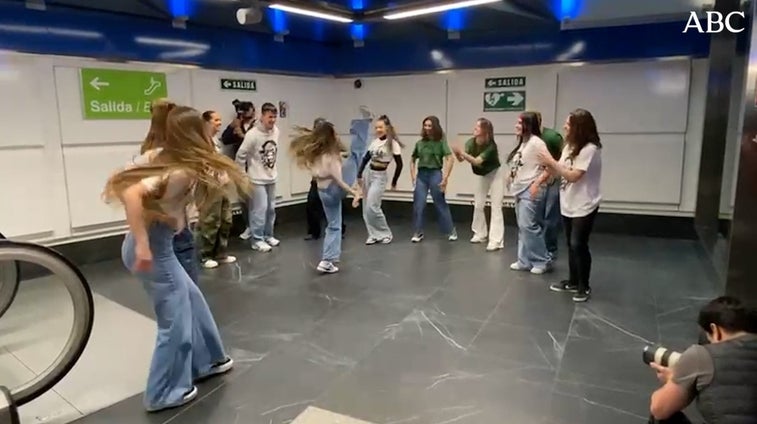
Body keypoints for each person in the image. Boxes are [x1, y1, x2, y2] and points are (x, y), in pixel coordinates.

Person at [103, 105, 251, 412]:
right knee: (175, 323)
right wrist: (144, 243)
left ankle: (208, 360)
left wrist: (164, 214)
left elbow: (122, 175)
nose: (209, 130)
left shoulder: (163, 156)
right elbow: (131, 193)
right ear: (193, 133)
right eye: (203, 128)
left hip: (160, 245)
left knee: (193, 302)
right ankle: (162, 393)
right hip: (153, 249)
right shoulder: (181, 170)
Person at [647, 296, 757, 423]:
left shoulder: (702, 355)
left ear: (716, 330)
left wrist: (673, 379)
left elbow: (659, 409)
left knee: (664, 418)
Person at [537, 108, 602, 302]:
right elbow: (560, 167)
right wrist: (546, 168)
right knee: (570, 244)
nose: (565, 126)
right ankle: (573, 281)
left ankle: (584, 285)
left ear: (579, 127)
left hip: (585, 204)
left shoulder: (590, 148)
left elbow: (574, 175)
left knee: (578, 244)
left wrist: (551, 163)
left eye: (568, 123)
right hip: (568, 202)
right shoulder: (569, 146)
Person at [137, 98, 199, 283]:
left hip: (154, 226)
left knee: (168, 285)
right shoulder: (174, 153)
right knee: (186, 286)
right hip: (175, 225)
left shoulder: (147, 149)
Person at [290, 119, 360, 273]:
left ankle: (327, 260)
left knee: (333, 225)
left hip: (322, 192)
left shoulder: (315, 154)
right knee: (356, 158)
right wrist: (354, 192)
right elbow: (339, 181)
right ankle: (361, 126)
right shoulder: (331, 156)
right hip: (332, 190)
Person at [506, 111, 551, 274]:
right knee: (523, 227)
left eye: (520, 123)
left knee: (528, 226)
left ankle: (541, 260)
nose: (516, 126)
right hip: (520, 189)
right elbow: (521, 164)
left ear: (528, 125)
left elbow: (550, 166)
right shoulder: (523, 143)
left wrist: (537, 183)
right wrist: (510, 176)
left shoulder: (536, 143)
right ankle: (524, 260)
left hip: (531, 189)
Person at [451, 118, 504, 251]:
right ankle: (480, 233)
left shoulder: (491, 146)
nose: (474, 129)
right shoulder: (471, 142)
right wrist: (457, 153)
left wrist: (461, 152)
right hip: (482, 175)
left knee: (496, 206)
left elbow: (477, 161)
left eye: (478, 127)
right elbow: (462, 159)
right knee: (478, 204)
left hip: (495, 174)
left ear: (485, 130)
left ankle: (496, 240)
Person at [236, 102, 280, 252]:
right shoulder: (252, 134)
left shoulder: (276, 131)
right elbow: (240, 156)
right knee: (259, 209)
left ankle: (268, 235)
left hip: (271, 176)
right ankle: (257, 239)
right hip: (256, 178)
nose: (272, 120)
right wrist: (242, 175)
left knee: (271, 209)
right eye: (270, 117)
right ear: (262, 116)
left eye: (275, 117)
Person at [196, 110, 236, 269]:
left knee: (225, 219)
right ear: (206, 122)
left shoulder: (216, 141)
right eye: (216, 120)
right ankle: (205, 255)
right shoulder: (200, 141)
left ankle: (221, 253)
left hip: (221, 183)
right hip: (209, 185)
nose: (219, 123)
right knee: (210, 220)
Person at [355, 114, 403, 245]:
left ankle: (385, 233)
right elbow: (365, 159)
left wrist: (394, 181)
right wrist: (359, 175)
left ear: (387, 128)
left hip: (380, 176)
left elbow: (400, 164)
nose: (378, 130)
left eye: (380, 127)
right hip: (369, 173)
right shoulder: (375, 142)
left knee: (373, 206)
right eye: (376, 127)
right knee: (366, 207)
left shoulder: (392, 144)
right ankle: (373, 234)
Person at [409, 116, 457, 243]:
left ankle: (450, 229)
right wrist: (413, 175)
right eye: (425, 125)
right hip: (422, 175)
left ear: (435, 127)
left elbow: (450, 158)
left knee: (440, 202)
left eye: (430, 126)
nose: (427, 128)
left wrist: (446, 177)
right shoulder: (419, 144)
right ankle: (418, 231)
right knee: (419, 204)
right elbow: (412, 160)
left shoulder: (441, 143)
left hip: (435, 173)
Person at [305, 117, 347, 240]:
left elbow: (344, 151)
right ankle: (314, 232)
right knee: (312, 204)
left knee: (337, 205)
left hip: (332, 180)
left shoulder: (333, 141)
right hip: (317, 180)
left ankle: (340, 229)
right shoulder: (312, 143)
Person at [530, 111, 564, 261]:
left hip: (553, 178)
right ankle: (537, 249)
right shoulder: (527, 138)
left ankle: (550, 249)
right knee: (535, 215)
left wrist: (553, 172)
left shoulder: (552, 137)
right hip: (535, 178)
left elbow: (563, 157)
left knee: (550, 216)